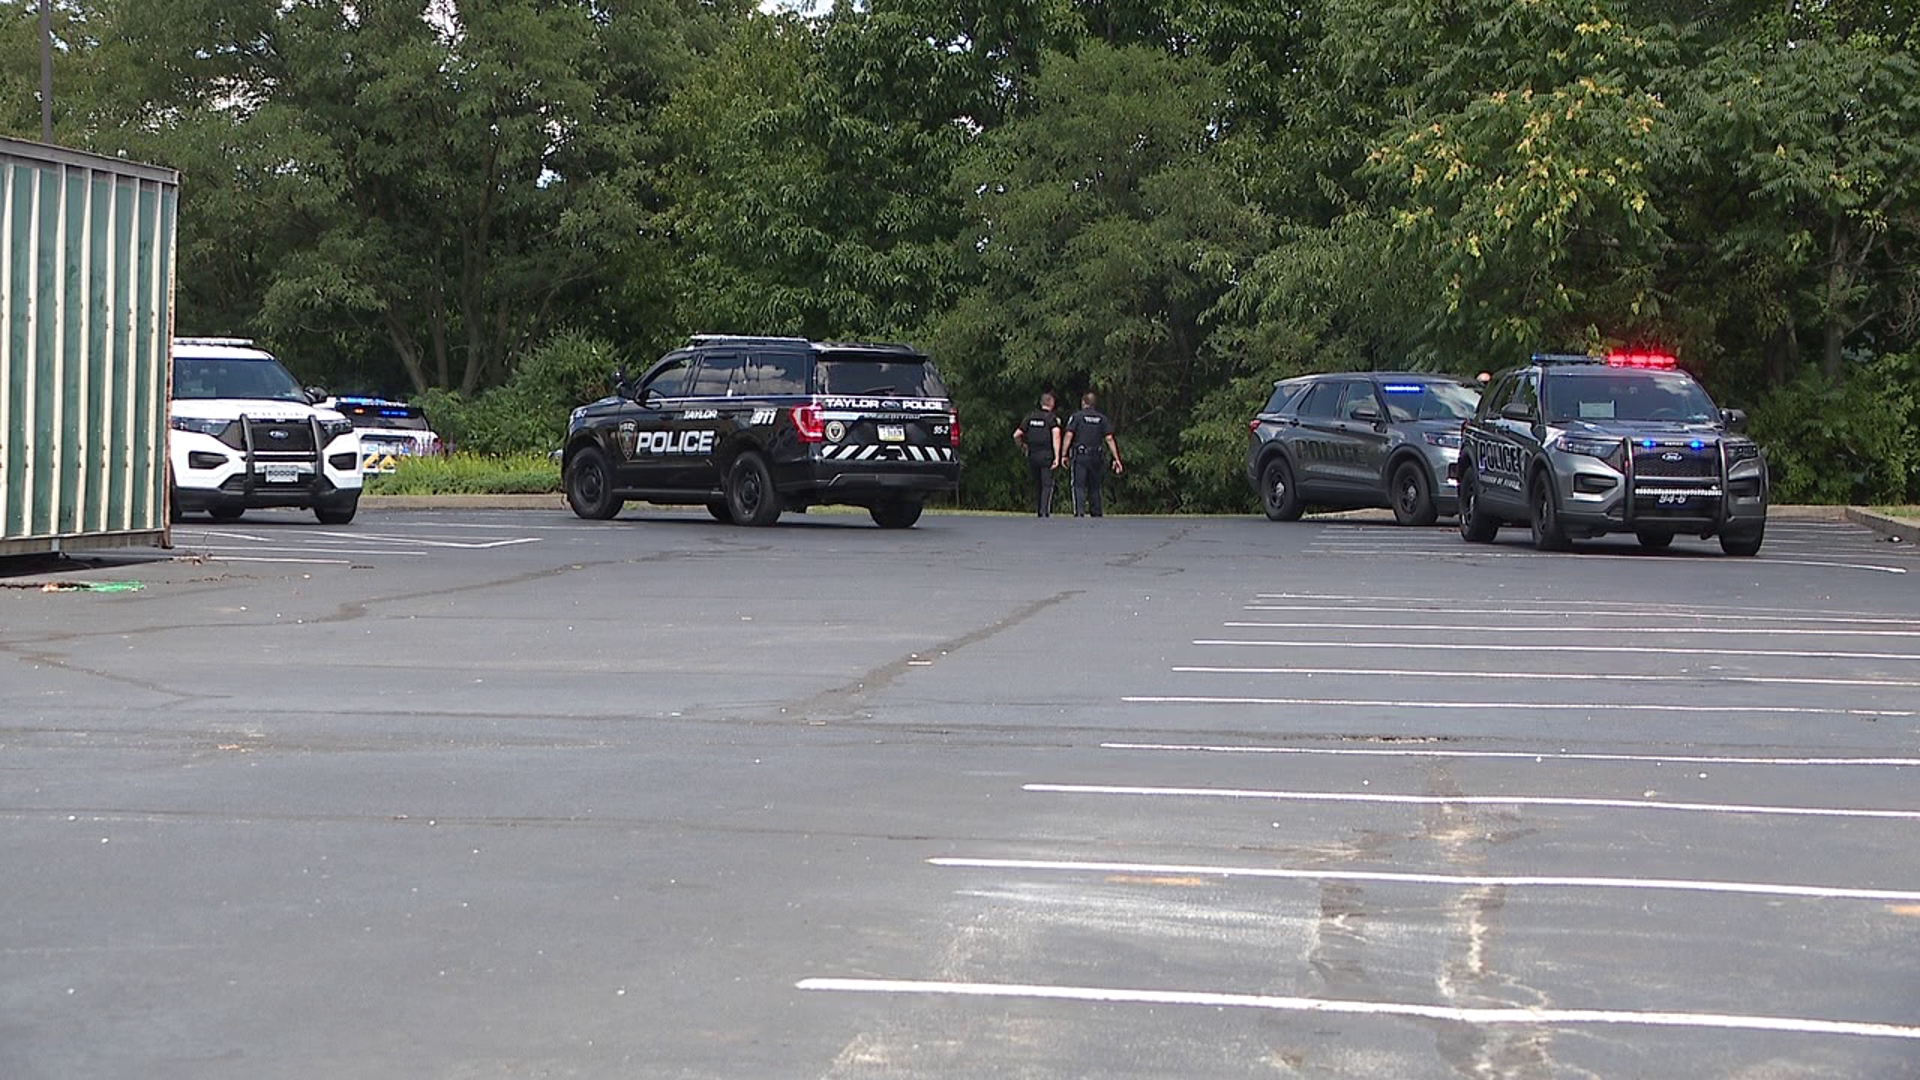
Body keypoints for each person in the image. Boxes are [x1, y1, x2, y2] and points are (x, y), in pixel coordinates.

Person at [1060, 391, 1123, 517]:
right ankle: (1096, 513)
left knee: (1079, 485)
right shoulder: (1102, 418)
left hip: (1081, 456)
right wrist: (1117, 459)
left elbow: (1069, 434)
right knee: (1095, 486)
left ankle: (1079, 512)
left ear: (1083, 402)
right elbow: (1109, 438)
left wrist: (1064, 454)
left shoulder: (1077, 417)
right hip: (1096, 457)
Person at [1012, 392, 1063, 517]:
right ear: (1052, 404)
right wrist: (1057, 457)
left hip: (1033, 455)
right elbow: (1056, 435)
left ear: (1041, 403)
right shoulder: (1051, 419)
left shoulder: (1030, 417)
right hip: (1046, 455)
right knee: (1047, 484)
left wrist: (1022, 446)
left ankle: (1039, 510)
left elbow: (1016, 435)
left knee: (1037, 484)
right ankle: (1044, 510)